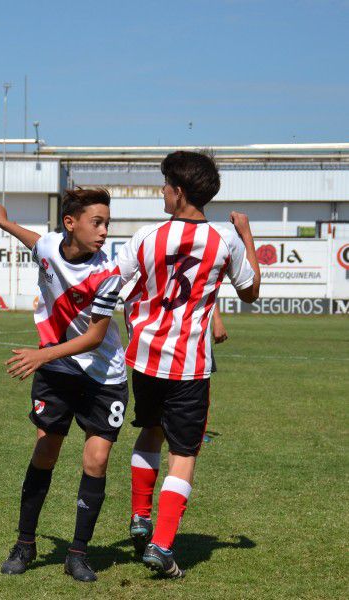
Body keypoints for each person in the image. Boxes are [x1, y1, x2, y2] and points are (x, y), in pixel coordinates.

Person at [118, 151, 260, 578]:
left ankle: (141, 516)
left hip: (144, 357)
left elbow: (112, 281)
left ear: (178, 193)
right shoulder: (225, 240)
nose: (162, 190)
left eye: (164, 184)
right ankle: (161, 545)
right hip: (189, 364)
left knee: (150, 430)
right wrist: (247, 233)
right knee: (184, 454)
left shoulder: (147, 235)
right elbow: (251, 291)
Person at [0, 191, 127, 582]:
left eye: (106, 223)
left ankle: (78, 555)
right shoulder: (50, 246)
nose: (103, 232)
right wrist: (5, 223)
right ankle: (25, 544)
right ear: (70, 223)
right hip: (58, 371)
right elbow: (34, 239)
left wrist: (41, 355)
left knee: (95, 460)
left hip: (103, 375)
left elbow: (96, 337)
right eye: (96, 222)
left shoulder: (109, 273)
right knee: (46, 450)